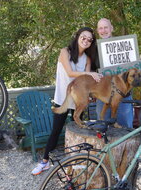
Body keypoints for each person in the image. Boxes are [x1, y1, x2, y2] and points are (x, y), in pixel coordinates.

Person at [31, 27, 103, 175]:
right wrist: (88, 73)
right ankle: (44, 161)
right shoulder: (65, 52)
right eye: (83, 37)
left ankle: (78, 162)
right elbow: (70, 73)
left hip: (79, 100)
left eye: (90, 39)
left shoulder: (88, 59)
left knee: (80, 130)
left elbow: (86, 80)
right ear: (77, 37)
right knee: (56, 131)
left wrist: (91, 84)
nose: (86, 41)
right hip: (63, 99)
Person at [94, 18, 134, 128]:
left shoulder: (124, 45)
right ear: (98, 31)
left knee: (125, 130)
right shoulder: (94, 49)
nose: (103, 30)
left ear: (111, 28)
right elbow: (91, 72)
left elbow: (134, 69)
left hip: (123, 97)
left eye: (106, 27)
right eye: (100, 28)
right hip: (103, 97)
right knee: (103, 129)